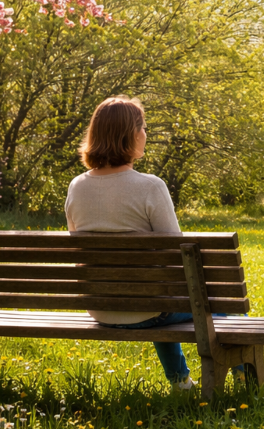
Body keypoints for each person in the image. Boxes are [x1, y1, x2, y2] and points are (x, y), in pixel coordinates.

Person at [64, 96, 197, 392]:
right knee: (218, 306)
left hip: (99, 308)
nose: (146, 134)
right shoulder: (150, 186)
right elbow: (178, 257)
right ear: (131, 134)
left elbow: (78, 254)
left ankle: (181, 382)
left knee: (157, 297)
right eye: (144, 127)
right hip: (147, 310)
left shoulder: (77, 186)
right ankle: (246, 376)